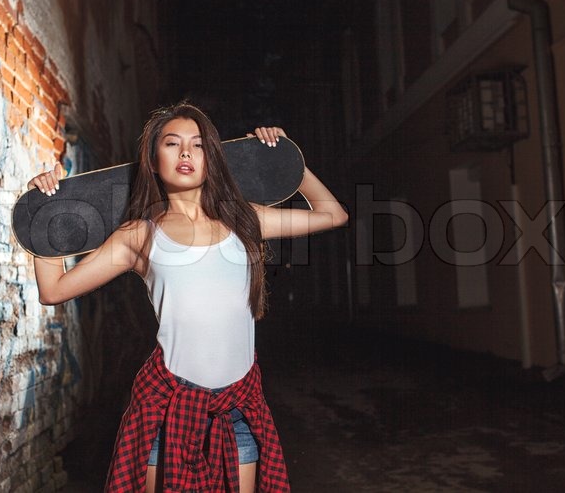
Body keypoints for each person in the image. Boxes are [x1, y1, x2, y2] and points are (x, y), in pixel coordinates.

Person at [27, 102, 348, 492]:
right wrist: (43, 216)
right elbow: (54, 290)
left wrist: (286, 159)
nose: (185, 153)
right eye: (172, 143)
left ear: (210, 157)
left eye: (197, 145)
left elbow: (333, 215)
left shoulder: (244, 219)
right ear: (153, 159)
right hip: (167, 410)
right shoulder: (139, 235)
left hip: (237, 411)